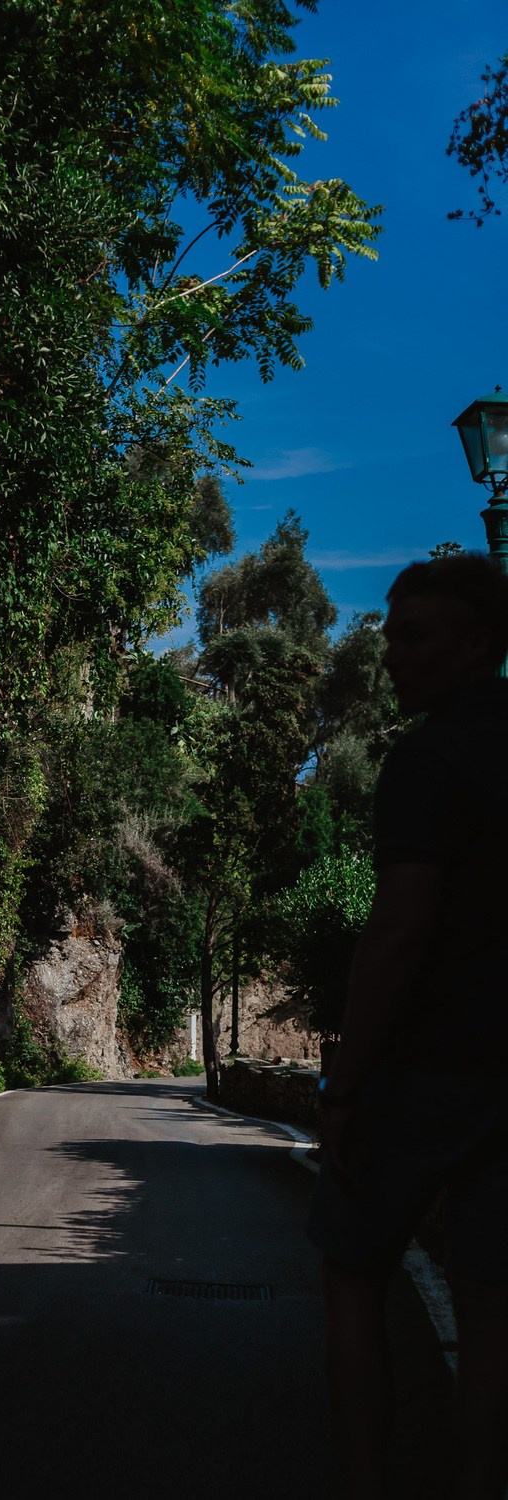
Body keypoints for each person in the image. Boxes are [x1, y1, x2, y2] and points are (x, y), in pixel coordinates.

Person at [308, 553, 508, 1500]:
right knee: (492, 1315)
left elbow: (401, 928)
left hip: (426, 1067)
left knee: (353, 1270)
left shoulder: (425, 758)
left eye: (412, 635)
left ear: (477, 643)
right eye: (389, 634)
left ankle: (363, 1483)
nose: (389, 653)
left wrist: (345, 1084)